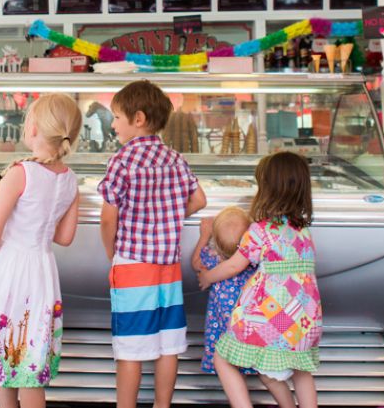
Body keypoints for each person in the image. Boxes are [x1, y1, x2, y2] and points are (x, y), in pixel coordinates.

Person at [0, 93, 82, 408]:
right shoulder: (70, 180)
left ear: (35, 128)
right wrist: (39, 228)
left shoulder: (20, 172)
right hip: (41, 272)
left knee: (2, 350)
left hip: (8, 268)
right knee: (27, 356)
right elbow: (66, 237)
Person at [97, 80, 207, 408]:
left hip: (132, 264)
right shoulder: (175, 158)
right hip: (168, 268)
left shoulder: (122, 161)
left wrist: (111, 253)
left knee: (131, 347)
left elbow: (107, 218)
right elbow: (199, 199)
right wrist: (171, 216)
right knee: (167, 344)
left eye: (116, 117)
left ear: (139, 119)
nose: (113, 123)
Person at [198, 151, 323, 408]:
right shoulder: (304, 232)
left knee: (222, 359)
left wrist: (208, 276)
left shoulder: (261, 230)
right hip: (306, 320)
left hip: (270, 320)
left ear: (267, 190)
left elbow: (234, 265)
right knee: (299, 371)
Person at [192, 207, 297, 408]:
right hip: (255, 330)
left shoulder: (212, 259)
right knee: (268, 375)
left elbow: (195, 262)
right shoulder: (254, 262)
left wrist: (204, 235)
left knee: (225, 363)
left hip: (228, 336)